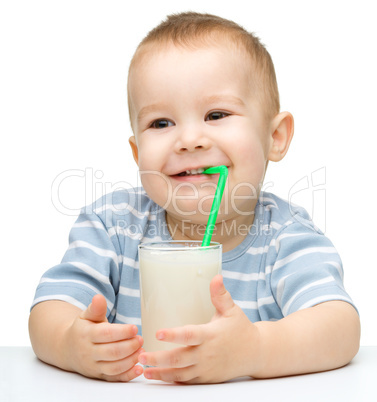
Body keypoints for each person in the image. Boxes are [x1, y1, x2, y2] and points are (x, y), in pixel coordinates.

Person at [29, 12, 360, 384]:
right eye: (161, 123)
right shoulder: (112, 225)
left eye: (216, 114)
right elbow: (49, 310)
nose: (189, 139)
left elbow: (341, 328)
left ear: (276, 137)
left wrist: (255, 349)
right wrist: (69, 343)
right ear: (138, 155)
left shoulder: (285, 236)